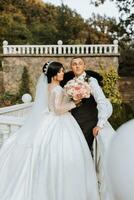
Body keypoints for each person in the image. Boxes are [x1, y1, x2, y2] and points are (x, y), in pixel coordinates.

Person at [0, 61, 100, 200]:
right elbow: (57, 110)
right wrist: (75, 103)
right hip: (60, 121)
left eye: (62, 70)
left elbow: (51, 106)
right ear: (53, 74)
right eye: (60, 71)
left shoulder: (48, 87)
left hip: (47, 120)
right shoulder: (57, 88)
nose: (62, 73)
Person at [61, 57, 115, 200]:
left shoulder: (91, 81)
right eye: (74, 64)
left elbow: (102, 102)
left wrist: (100, 123)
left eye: (80, 63)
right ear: (71, 67)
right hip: (73, 121)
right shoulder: (69, 83)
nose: (77, 66)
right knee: (72, 152)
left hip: (88, 123)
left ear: (84, 65)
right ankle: (76, 185)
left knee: (85, 153)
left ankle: (87, 187)